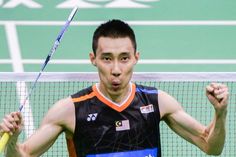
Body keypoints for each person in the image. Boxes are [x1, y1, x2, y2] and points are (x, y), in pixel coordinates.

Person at [0, 19, 229, 157]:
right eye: (107, 58)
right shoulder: (70, 110)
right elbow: (24, 154)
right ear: (93, 59)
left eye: (124, 58)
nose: (116, 69)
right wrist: (12, 140)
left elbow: (211, 145)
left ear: (136, 58)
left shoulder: (157, 102)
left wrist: (220, 113)